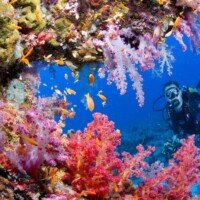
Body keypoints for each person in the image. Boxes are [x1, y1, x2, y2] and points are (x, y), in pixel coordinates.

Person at [162, 81, 200, 159]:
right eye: (168, 94)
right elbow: (172, 131)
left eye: (174, 91)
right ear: (166, 98)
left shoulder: (193, 101)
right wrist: (170, 143)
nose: (173, 96)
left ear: (180, 92)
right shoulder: (170, 112)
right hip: (191, 132)